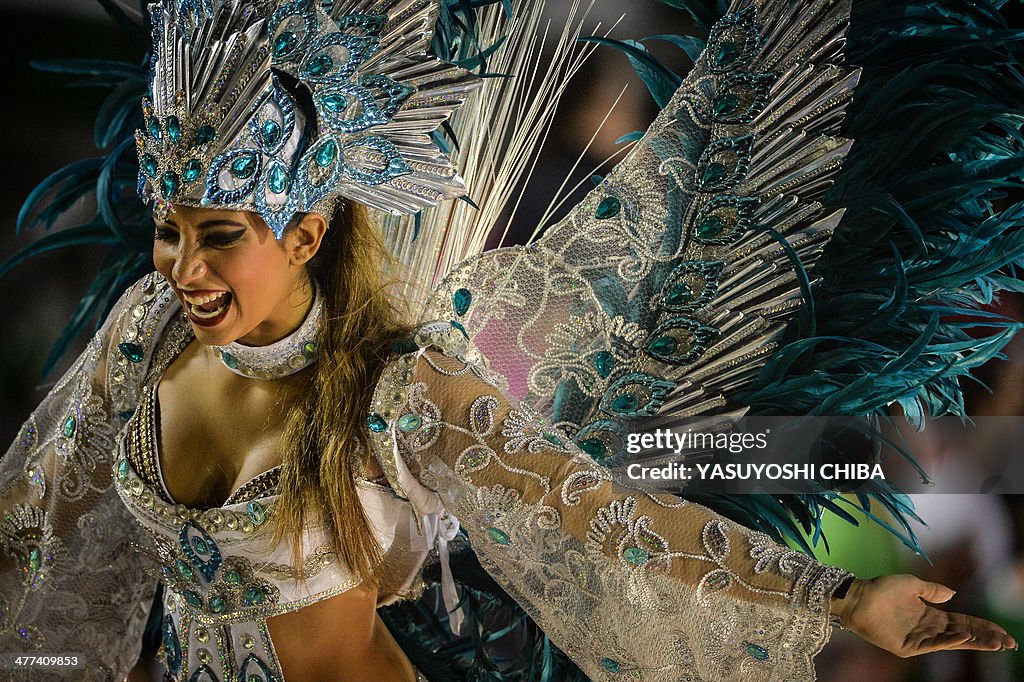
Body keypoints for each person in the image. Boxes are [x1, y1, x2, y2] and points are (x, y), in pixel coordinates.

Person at [1, 0, 1020, 680]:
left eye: (219, 236)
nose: (184, 266)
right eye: (169, 231)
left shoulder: (399, 390)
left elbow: (598, 517)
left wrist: (841, 597)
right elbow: (36, 523)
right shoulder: (144, 335)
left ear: (306, 233)